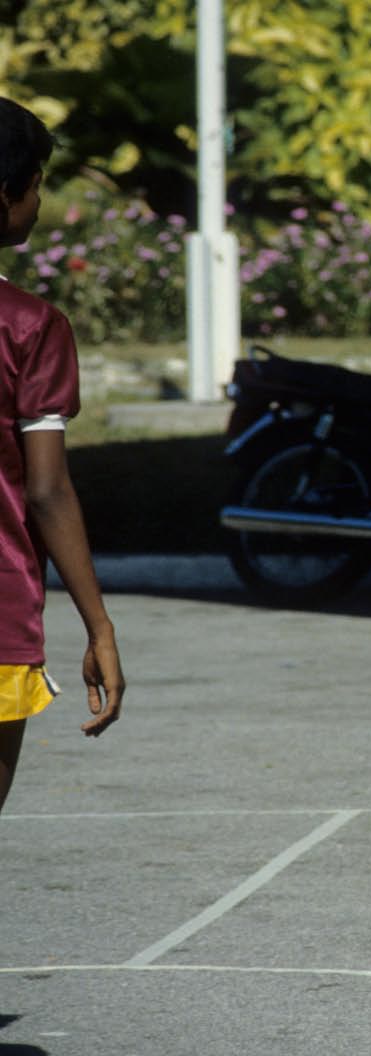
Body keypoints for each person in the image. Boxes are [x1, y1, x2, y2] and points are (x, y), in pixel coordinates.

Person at [0, 97, 125, 813]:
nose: (41, 201)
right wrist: (99, 627)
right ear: (4, 194)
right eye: (36, 182)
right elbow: (47, 492)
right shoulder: (30, 328)